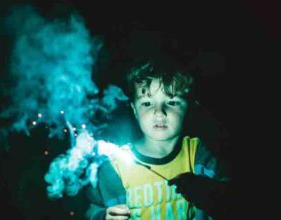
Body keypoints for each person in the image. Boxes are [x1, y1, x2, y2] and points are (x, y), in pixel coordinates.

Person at [85, 58, 231, 220]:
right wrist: (103, 217)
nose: (159, 112)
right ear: (134, 109)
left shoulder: (201, 154)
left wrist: (212, 193)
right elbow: (91, 211)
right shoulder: (113, 168)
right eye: (147, 103)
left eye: (172, 102)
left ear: (189, 107)